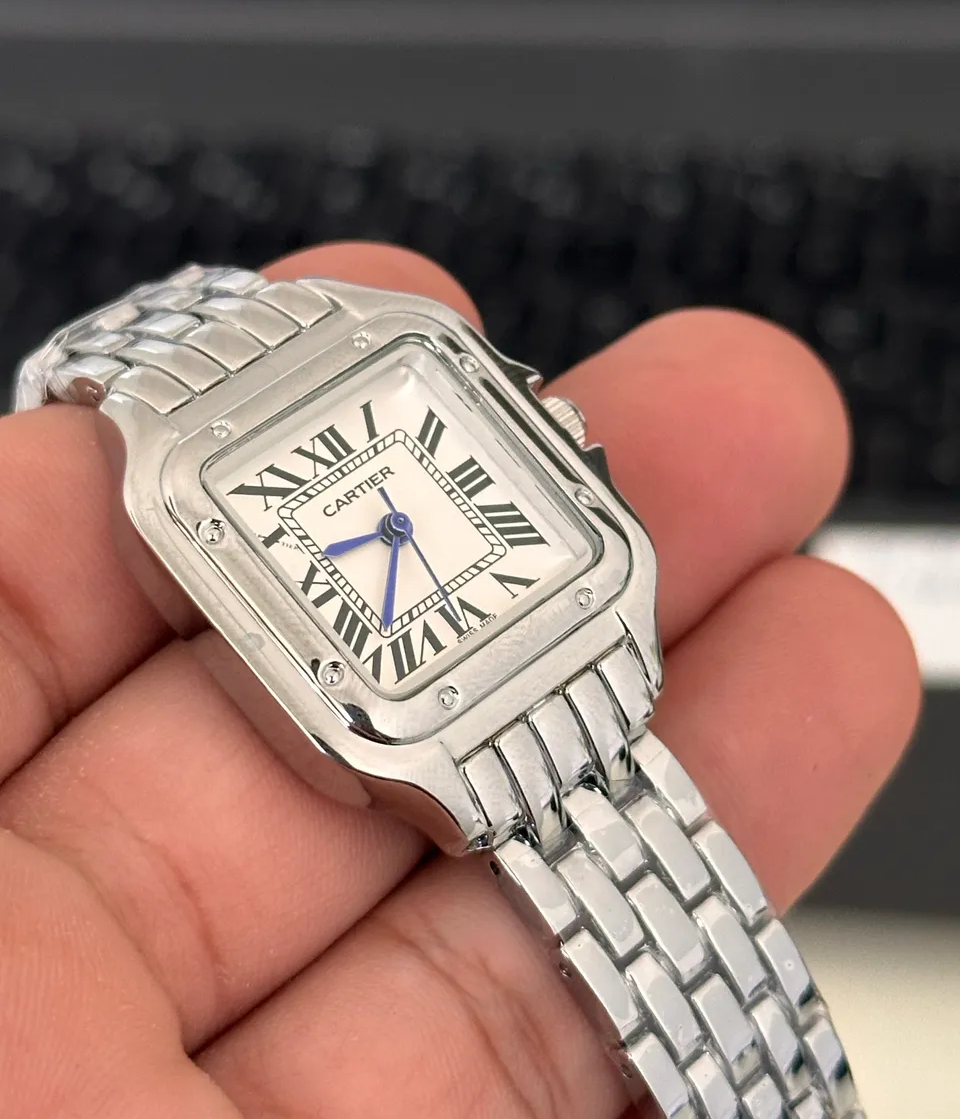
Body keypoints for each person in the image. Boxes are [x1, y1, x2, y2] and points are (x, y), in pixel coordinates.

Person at [0, 243, 919, 1116]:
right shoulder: (175, 477)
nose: (395, 527)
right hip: (449, 725)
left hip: (577, 642)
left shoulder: (392, 338)